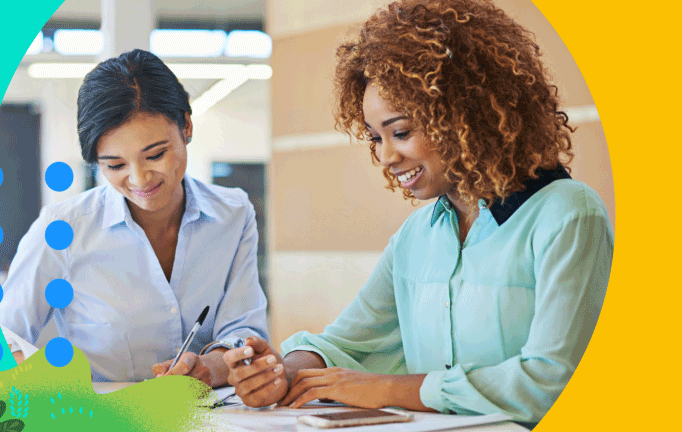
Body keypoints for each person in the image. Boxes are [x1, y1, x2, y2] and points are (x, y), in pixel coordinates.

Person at [223, 0, 613, 425]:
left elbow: (551, 382)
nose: (386, 156)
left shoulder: (569, 216)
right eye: (375, 137)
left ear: (465, 115)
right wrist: (282, 373)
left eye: (402, 132)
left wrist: (391, 389)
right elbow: (347, 344)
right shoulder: (417, 236)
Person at [0, 49, 268, 387]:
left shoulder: (233, 213)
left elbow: (243, 328)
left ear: (186, 125)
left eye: (155, 154)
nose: (140, 180)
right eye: (115, 165)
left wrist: (210, 367)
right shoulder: (64, 228)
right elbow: (2, 337)